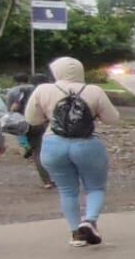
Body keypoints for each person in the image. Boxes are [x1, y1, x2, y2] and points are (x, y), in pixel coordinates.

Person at [23, 56, 121, 247]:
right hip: (87, 144)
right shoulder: (94, 91)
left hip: (53, 144)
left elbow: (31, 119)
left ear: (56, 71)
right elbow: (113, 118)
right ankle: (90, 221)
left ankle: (76, 234)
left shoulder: (43, 90)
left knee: (67, 191)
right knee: (95, 188)